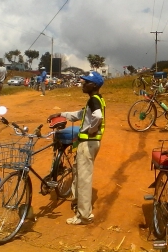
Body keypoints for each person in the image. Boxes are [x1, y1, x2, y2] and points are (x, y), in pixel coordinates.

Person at [47, 71, 105, 225]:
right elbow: (80, 114)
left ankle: (84, 216)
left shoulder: (94, 101)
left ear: (94, 85)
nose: (83, 84)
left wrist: (90, 130)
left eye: (86, 82)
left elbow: (98, 117)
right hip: (88, 143)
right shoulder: (95, 100)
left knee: (84, 179)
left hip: (88, 143)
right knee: (78, 173)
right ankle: (78, 204)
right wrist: (61, 114)